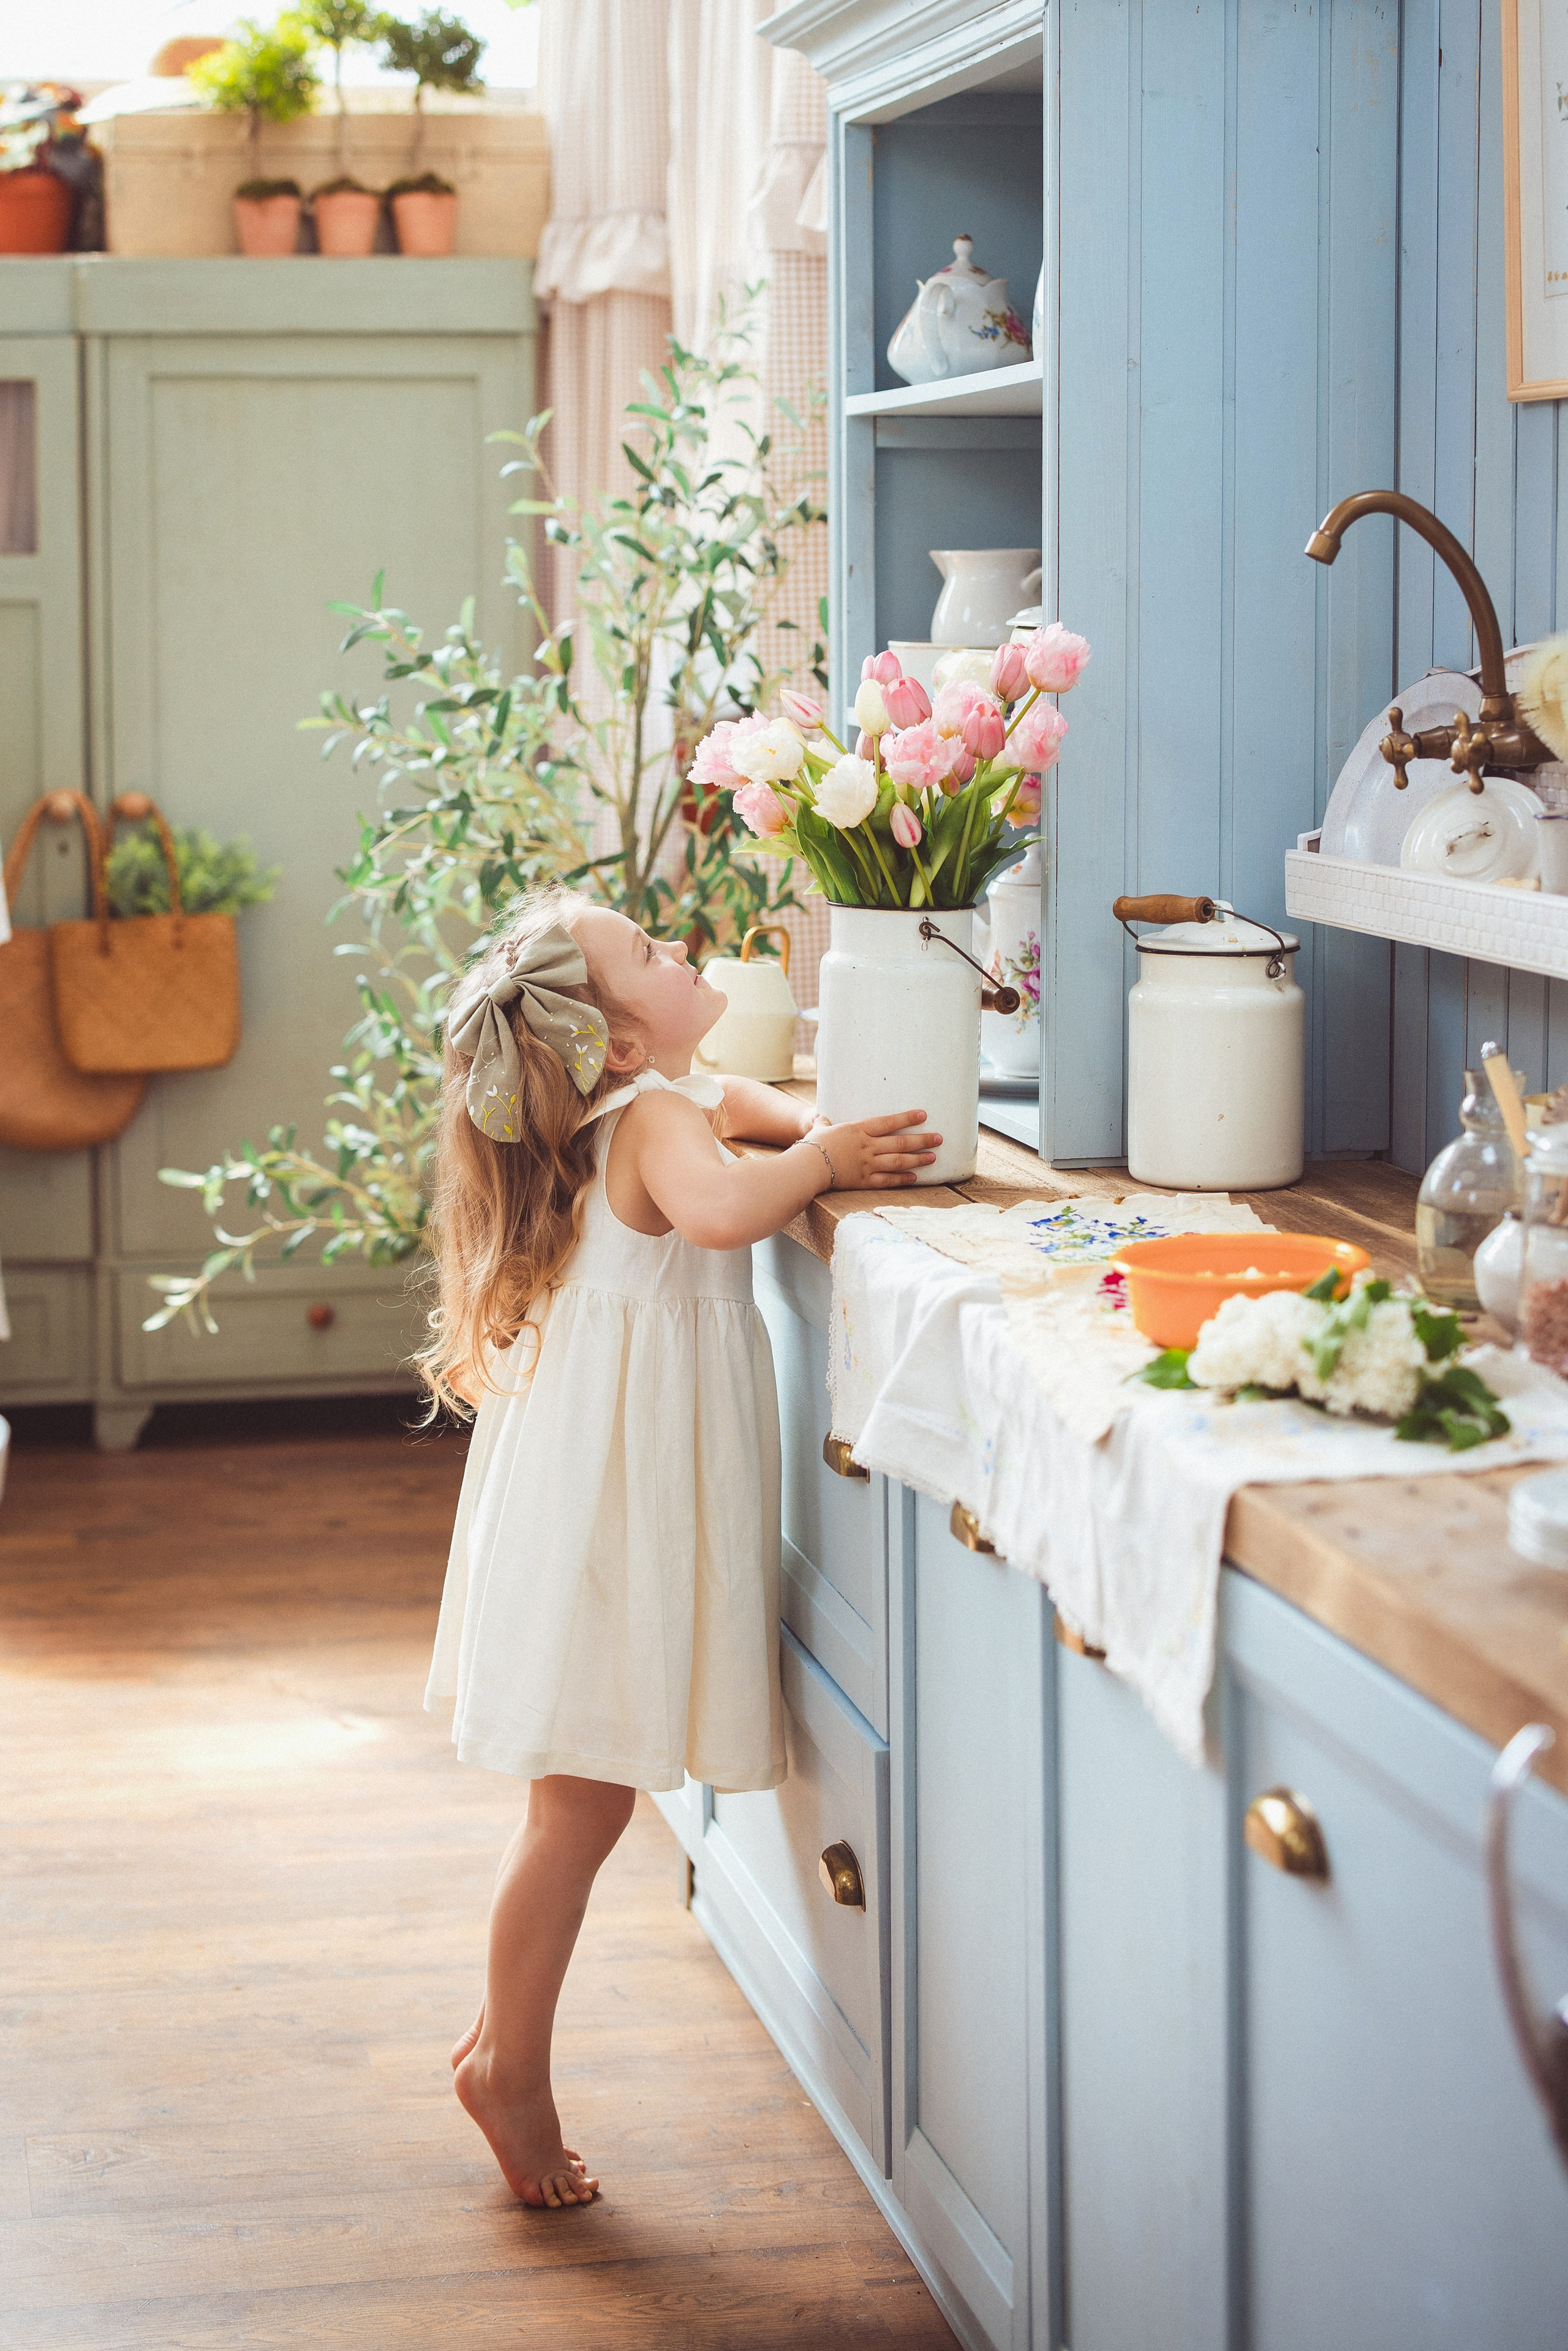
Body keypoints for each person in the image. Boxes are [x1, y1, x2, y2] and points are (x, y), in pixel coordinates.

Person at [421, 888, 941, 2208]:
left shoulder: (651, 1100)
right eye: (645, 953)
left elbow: (742, 1110)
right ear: (618, 1049)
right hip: (610, 1512)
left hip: (591, 1497)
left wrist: (806, 1123)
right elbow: (722, 1206)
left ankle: (501, 2046)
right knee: (578, 1804)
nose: (673, 944)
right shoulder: (652, 1123)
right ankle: (510, 2070)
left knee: (576, 1801)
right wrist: (821, 1163)